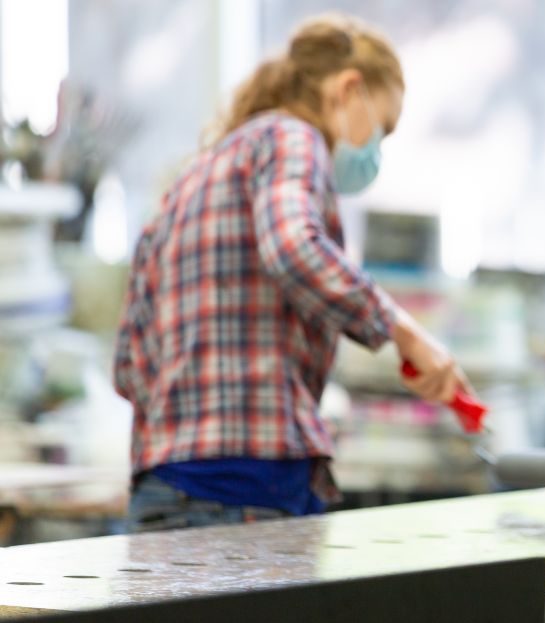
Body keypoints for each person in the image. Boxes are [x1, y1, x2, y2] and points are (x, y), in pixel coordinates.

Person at [113, 15, 466, 532]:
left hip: (164, 491)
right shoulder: (292, 138)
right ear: (348, 89)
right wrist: (404, 332)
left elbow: (127, 366)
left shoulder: (191, 178)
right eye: (382, 130)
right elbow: (294, 247)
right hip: (244, 495)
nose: (375, 153)